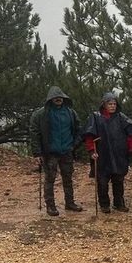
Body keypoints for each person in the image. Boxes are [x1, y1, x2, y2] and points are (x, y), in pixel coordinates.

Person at [29, 86, 84, 216]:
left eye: (60, 97)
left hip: (67, 151)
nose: (58, 99)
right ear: (50, 99)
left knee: (68, 179)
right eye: (55, 97)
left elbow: (79, 130)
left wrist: (73, 145)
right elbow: (34, 133)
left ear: (64, 98)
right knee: (50, 179)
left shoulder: (71, 113)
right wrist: (37, 153)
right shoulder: (41, 114)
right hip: (50, 153)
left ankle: (70, 203)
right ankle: (50, 206)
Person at [84, 92, 132, 213]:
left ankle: (119, 203)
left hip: (119, 153)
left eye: (114, 104)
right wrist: (91, 151)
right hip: (102, 154)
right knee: (102, 181)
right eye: (110, 104)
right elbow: (89, 136)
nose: (112, 106)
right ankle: (104, 204)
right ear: (104, 104)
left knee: (118, 180)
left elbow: (131, 133)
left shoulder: (121, 117)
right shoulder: (95, 117)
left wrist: (131, 148)